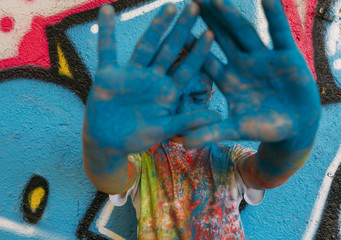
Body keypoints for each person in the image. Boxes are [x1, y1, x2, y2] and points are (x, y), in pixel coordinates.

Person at [82, 0, 321, 239]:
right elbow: (110, 178)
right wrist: (102, 144)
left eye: (197, 96)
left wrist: (296, 136)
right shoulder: (143, 159)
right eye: (173, 99)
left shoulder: (228, 159)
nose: (186, 110)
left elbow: (268, 173)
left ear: (211, 93)